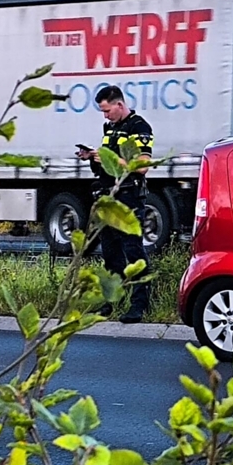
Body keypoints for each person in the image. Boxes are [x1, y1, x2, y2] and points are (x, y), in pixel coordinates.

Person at [76, 86, 154, 323]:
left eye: (107, 110)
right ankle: (113, 302)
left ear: (119, 105)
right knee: (111, 255)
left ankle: (139, 306)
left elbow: (141, 166)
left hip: (128, 198)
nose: (105, 116)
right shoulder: (109, 128)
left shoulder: (139, 127)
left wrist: (111, 158)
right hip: (107, 197)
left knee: (134, 251)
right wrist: (93, 157)